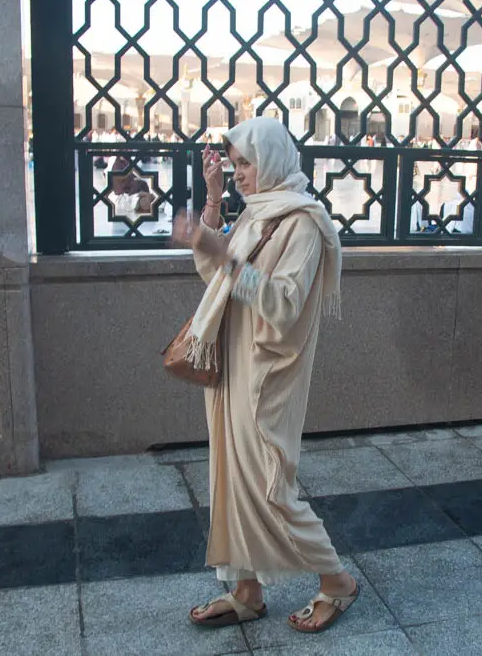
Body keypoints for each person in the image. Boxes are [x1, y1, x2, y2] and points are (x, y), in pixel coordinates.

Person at [171, 117, 358, 634]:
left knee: (271, 486)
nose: (238, 175)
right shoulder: (257, 214)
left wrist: (221, 255)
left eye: (245, 163)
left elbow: (282, 304)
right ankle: (248, 592)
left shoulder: (302, 223)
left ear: (272, 159)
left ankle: (337, 580)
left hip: (267, 375)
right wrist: (212, 206)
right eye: (233, 166)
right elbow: (214, 275)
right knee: (229, 481)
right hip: (232, 364)